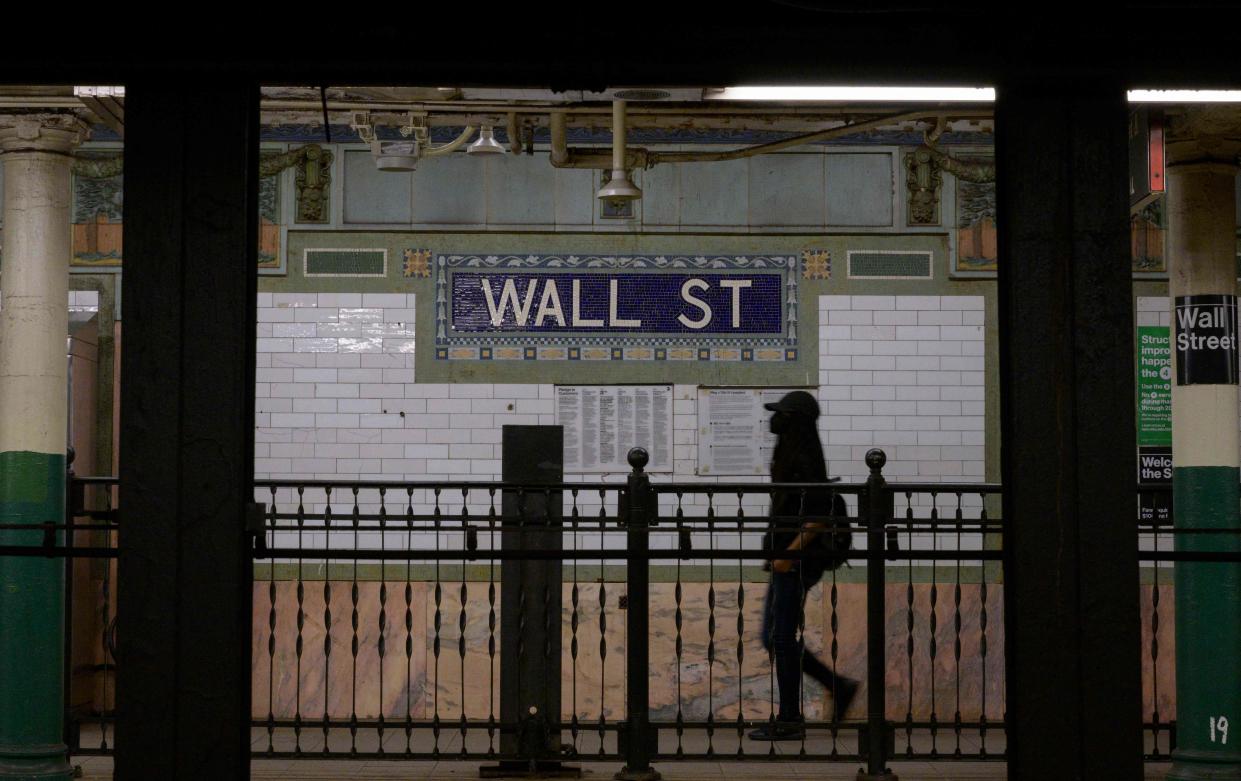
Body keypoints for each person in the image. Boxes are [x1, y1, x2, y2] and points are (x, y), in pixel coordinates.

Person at [747, 390, 858, 741]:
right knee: (775, 636)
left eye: (781, 414)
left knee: (778, 636)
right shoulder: (792, 453)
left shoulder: (804, 458)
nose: (774, 420)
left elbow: (818, 519)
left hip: (795, 563)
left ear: (795, 420)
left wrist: (788, 554)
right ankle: (836, 686)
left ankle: (792, 719)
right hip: (788, 562)